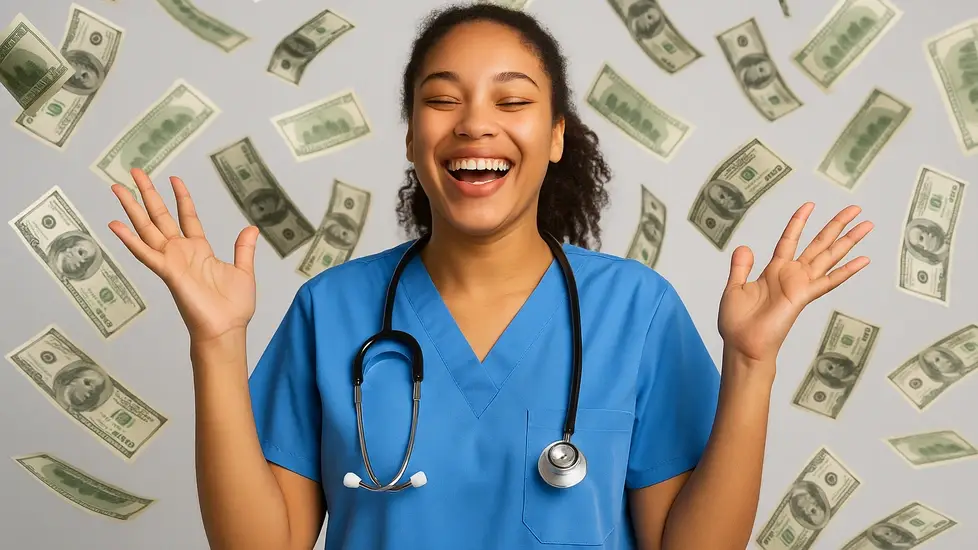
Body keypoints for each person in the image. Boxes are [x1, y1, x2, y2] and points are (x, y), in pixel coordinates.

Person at [106, 5, 873, 549]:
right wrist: (215, 343)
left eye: (512, 100)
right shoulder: (329, 310)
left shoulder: (635, 311)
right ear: (412, 137)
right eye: (442, 100)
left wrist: (751, 363)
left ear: (557, 138)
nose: (475, 122)